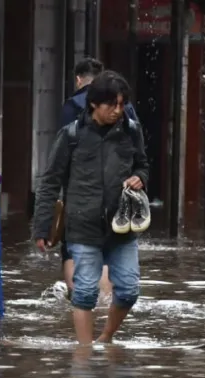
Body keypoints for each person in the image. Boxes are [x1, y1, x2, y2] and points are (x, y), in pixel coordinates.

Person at [33, 71, 148, 345]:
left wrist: (140, 178)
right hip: (83, 226)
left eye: (122, 104)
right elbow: (50, 182)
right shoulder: (71, 135)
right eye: (112, 104)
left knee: (129, 289)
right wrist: (42, 227)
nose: (118, 111)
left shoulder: (131, 131)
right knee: (84, 292)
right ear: (94, 103)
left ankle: (105, 339)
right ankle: (84, 355)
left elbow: (143, 165)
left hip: (122, 227)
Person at [58, 57, 138, 303]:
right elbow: (137, 153)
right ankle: (102, 301)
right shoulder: (127, 110)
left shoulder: (71, 106)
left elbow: (62, 155)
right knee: (109, 244)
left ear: (79, 79)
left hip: (80, 194)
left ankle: (80, 297)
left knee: (74, 249)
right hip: (116, 194)